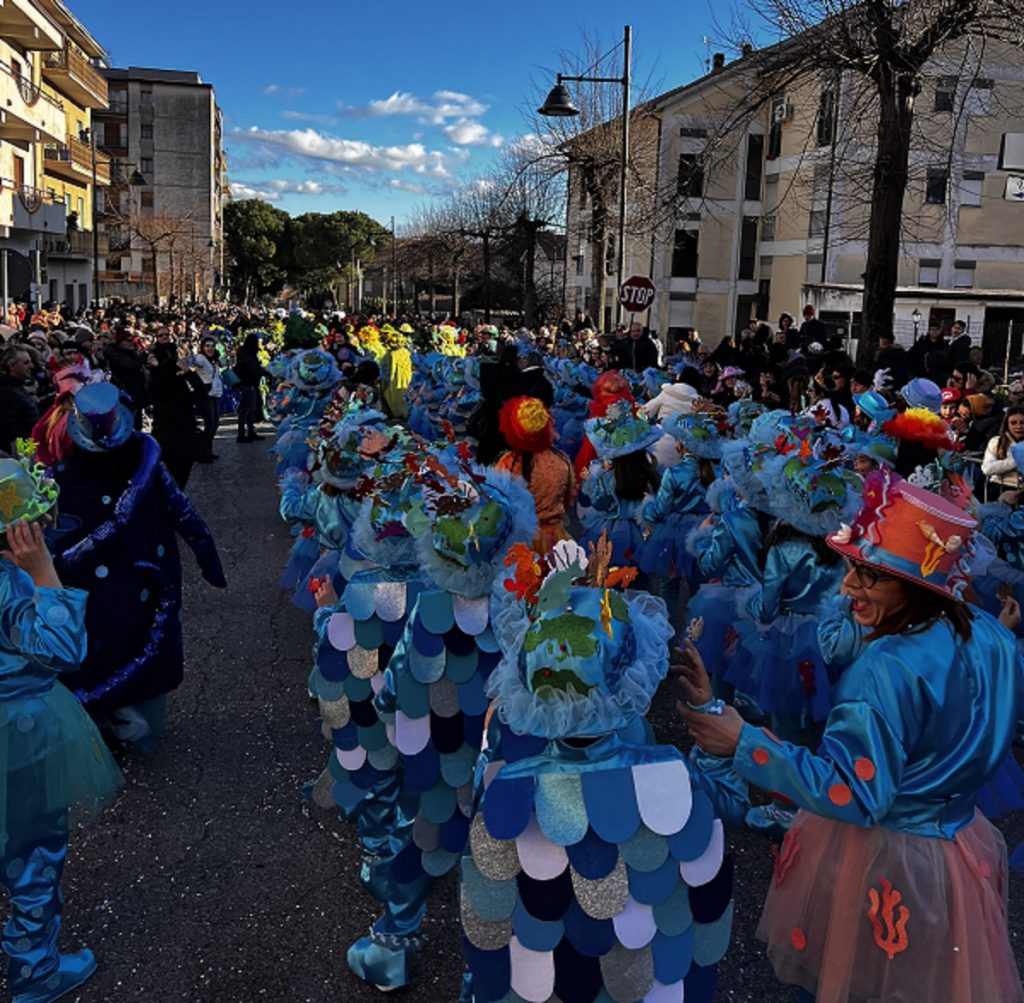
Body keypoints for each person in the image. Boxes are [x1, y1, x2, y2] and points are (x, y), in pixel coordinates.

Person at [678, 476, 1024, 1003]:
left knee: (862, 980)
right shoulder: (993, 636)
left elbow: (858, 794)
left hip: (889, 857)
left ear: (913, 585)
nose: (846, 588)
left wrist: (744, 742)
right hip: (958, 849)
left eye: (868, 575)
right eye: (852, 568)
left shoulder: (884, 667)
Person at [0, 453, 123, 1003]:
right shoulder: (11, 583)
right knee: (33, 852)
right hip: (20, 733)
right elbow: (61, 649)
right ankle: (34, 973)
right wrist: (42, 572)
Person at [495, 396, 575, 552]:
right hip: (554, 538)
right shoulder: (562, 460)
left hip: (519, 540)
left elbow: (497, 509)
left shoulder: (507, 464)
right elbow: (568, 500)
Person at [190, 336, 224, 462]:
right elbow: (194, 364)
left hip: (215, 393)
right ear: (202, 347)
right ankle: (201, 452)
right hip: (206, 394)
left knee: (215, 424)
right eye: (207, 346)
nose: (210, 348)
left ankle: (208, 450)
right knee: (210, 424)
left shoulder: (213, 360)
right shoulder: (201, 358)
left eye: (212, 346)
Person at [0, 344, 39, 454]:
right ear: (11, 366)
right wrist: (25, 452)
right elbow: (9, 430)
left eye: (30, 361)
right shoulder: (6, 391)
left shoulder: (17, 387)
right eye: (25, 363)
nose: (31, 366)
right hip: (22, 450)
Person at [233, 333, 270, 442]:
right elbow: (253, 370)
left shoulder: (243, 353)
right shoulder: (249, 355)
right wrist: (264, 371)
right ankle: (242, 434)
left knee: (248, 409)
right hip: (248, 384)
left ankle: (249, 432)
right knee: (246, 409)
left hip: (245, 384)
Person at [981, 405, 1024, 497]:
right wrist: (1016, 459)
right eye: (1013, 423)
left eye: (1022, 423)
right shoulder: (996, 442)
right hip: (999, 488)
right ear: (1007, 425)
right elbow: (987, 468)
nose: (1018, 426)